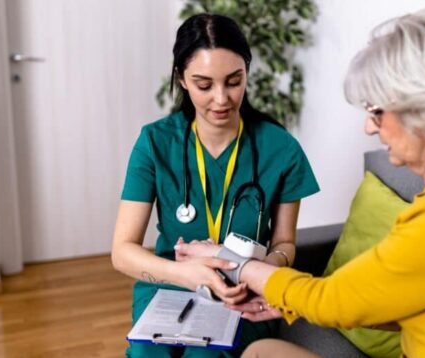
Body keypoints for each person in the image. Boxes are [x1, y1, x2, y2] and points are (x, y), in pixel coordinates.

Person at [176, 8, 425, 357]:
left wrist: (232, 263)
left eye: (377, 110)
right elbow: (417, 304)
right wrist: (288, 302)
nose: (369, 127)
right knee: (263, 351)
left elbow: (333, 301)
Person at [111, 13, 320, 358]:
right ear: (181, 79)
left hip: (243, 292)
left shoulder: (280, 148)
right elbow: (122, 251)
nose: (221, 98)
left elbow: (285, 242)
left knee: (207, 355)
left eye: (234, 81)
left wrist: (264, 271)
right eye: (204, 85)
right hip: (171, 281)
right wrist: (186, 274)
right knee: (149, 354)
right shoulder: (154, 143)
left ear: (247, 73)